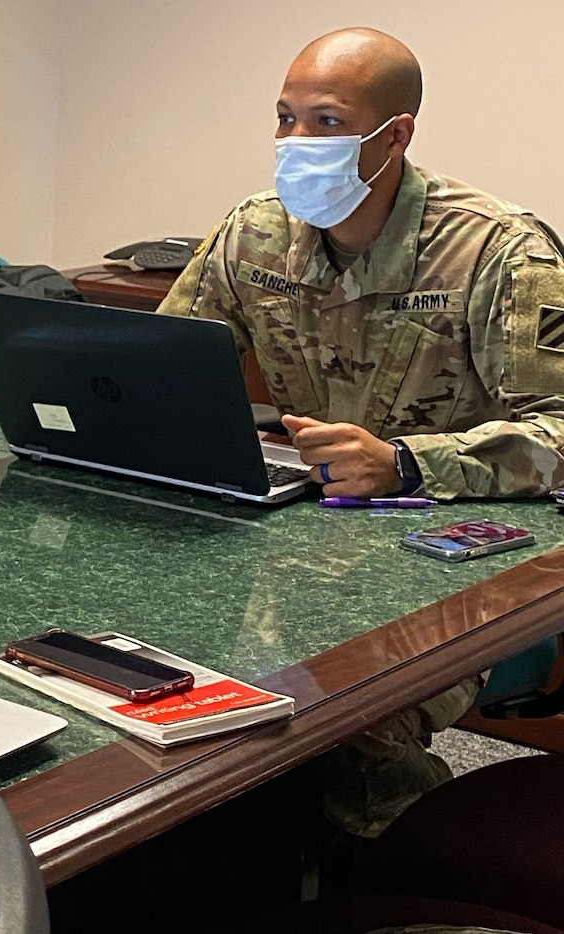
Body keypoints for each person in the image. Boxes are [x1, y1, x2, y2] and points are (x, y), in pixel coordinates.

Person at [157, 28, 564, 841]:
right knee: (142, 672)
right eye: (285, 119)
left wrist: (407, 463)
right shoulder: (253, 233)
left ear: (396, 134)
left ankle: (403, 882)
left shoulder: (499, 252)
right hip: (299, 532)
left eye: (326, 122)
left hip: (448, 546)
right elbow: (164, 367)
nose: (296, 143)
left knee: (333, 718)